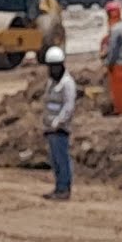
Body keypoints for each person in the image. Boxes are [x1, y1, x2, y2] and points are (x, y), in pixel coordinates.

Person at [41, 46, 78, 201]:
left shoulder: (67, 83)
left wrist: (58, 122)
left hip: (60, 128)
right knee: (55, 160)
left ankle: (64, 189)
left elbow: (68, 106)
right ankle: (58, 187)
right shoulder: (51, 83)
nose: (53, 70)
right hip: (50, 128)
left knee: (62, 159)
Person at [103, 2, 122, 115]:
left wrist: (109, 62)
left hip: (118, 63)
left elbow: (113, 49)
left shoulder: (116, 29)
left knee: (118, 88)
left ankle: (119, 110)